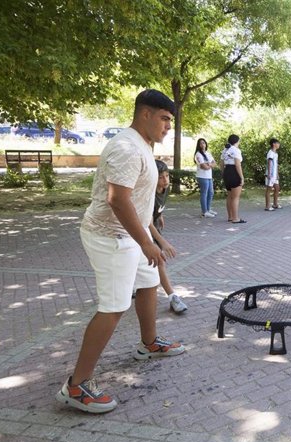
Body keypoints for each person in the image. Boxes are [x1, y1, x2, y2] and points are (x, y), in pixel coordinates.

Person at [56, 89, 185, 414]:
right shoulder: (127, 147)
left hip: (131, 236)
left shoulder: (142, 145)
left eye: (170, 120)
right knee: (113, 307)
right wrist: (145, 242)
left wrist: (150, 238)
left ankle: (149, 343)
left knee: (148, 282)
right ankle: (77, 385)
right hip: (110, 237)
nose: (169, 126)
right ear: (145, 114)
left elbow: (140, 206)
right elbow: (117, 199)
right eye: (165, 119)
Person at [150, 159, 189, 314]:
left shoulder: (165, 189)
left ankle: (134, 286)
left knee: (145, 262)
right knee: (159, 260)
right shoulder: (149, 194)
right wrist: (163, 243)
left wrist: (160, 215)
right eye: (161, 177)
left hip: (153, 224)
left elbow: (157, 210)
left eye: (167, 175)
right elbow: (146, 222)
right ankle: (173, 297)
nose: (165, 180)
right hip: (142, 229)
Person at [220, 134, 246, 224]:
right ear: (237, 141)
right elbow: (237, 164)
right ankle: (235, 218)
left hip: (227, 171)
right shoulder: (236, 150)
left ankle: (230, 217)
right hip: (234, 172)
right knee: (235, 197)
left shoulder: (225, 150)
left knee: (229, 196)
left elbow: (221, 164)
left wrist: (223, 174)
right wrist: (242, 177)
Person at [194, 138, 217, 218]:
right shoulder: (198, 154)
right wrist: (209, 164)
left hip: (209, 176)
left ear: (206, 144)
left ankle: (208, 209)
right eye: (200, 143)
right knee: (204, 193)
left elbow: (215, 163)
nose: (202, 145)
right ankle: (204, 212)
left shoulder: (208, 153)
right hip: (202, 176)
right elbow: (204, 167)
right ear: (198, 145)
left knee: (211, 193)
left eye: (204, 143)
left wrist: (208, 164)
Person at [264, 138, 281, 211]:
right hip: (270, 175)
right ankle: (267, 206)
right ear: (274, 144)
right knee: (269, 189)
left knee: (277, 188)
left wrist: (277, 174)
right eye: (278, 143)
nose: (279, 145)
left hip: (275, 175)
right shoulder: (270, 153)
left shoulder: (275, 153)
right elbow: (269, 163)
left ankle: (275, 204)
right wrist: (269, 174)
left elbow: (276, 164)